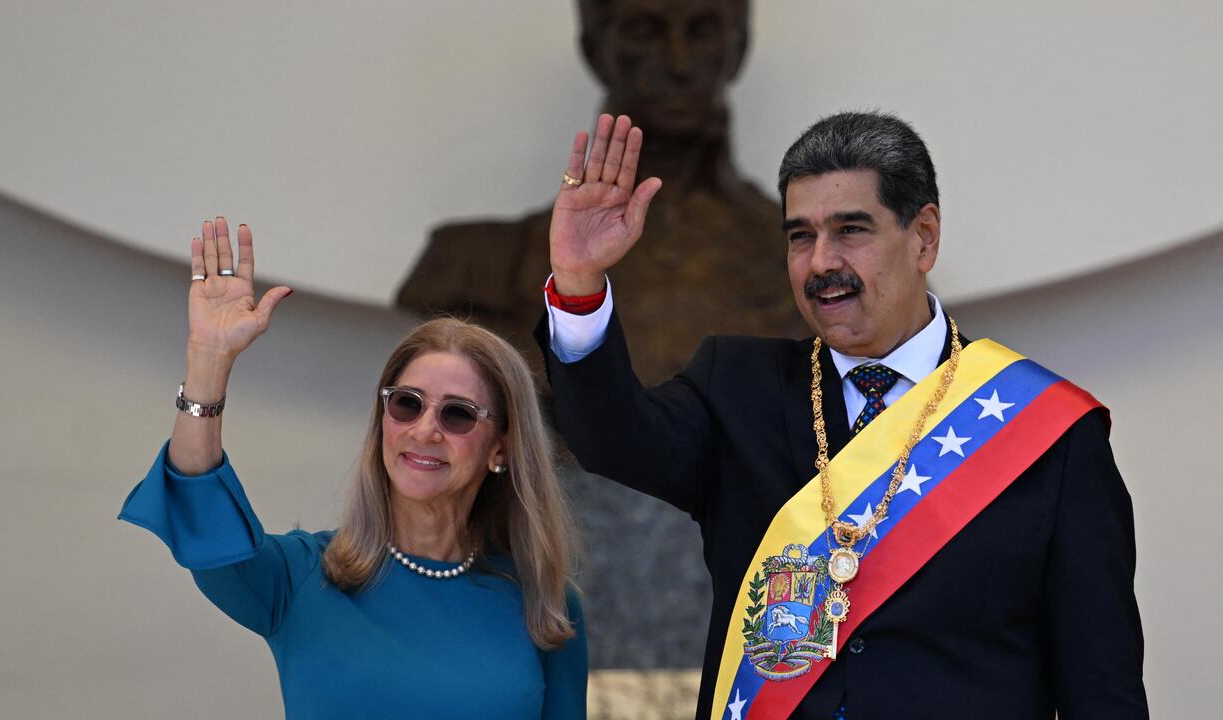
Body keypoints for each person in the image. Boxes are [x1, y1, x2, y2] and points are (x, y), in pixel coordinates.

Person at [534, 114, 1148, 718]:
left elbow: (1103, 688)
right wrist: (580, 283)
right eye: (801, 236)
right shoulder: (738, 386)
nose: (821, 262)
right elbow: (611, 439)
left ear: (924, 236)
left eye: (850, 230)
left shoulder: (1046, 434)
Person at [119, 218, 586, 719]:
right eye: (407, 404)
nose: (425, 430)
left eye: (457, 414)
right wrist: (208, 362)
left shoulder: (547, 602)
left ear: (502, 448)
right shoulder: (298, 577)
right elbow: (200, 512)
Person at [397, 0, 803, 386]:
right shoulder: (473, 269)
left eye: (704, 30)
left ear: (740, 45)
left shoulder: (800, 259)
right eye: (645, 31)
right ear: (594, 49)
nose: (679, 63)